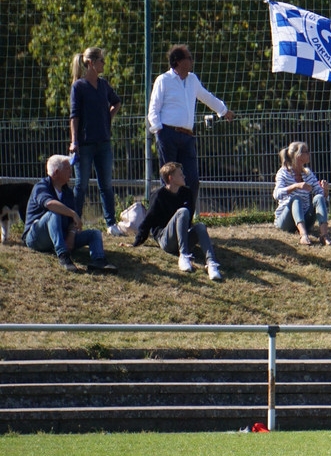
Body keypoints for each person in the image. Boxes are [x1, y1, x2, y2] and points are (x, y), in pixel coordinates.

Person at [147, 44, 235, 209]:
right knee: (169, 180)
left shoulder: (192, 79)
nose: (192, 61)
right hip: (168, 135)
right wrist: (159, 130)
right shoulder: (163, 80)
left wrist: (223, 111)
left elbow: (205, 96)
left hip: (187, 137)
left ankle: (185, 217)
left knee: (192, 180)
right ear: (179, 62)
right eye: (189, 58)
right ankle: (167, 217)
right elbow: (153, 108)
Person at [22, 154, 117, 274]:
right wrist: (72, 213)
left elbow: (73, 221)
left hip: (61, 235)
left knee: (94, 233)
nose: (71, 172)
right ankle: (64, 256)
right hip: (36, 237)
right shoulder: (41, 187)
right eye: (67, 169)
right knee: (54, 214)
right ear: (56, 172)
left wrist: (71, 236)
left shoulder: (68, 192)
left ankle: (99, 261)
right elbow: (50, 204)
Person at [133, 162, 222, 281]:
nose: (184, 176)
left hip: (182, 236)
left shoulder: (187, 193)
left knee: (200, 226)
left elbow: (188, 221)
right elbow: (148, 220)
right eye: (180, 175)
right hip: (165, 239)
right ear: (171, 178)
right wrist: (137, 242)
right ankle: (184, 255)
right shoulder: (159, 195)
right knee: (183, 212)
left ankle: (212, 264)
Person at [68, 47, 123, 236]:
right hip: (85, 144)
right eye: (101, 60)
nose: (103, 64)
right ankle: (74, 223)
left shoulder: (104, 85)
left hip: (103, 142)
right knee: (81, 185)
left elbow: (117, 102)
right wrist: (74, 141)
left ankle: (111, 223)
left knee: (106, 184)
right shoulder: (79, 87)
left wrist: (108, 118)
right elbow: (74, 116)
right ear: (91, 63)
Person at [273, 141, 331, 246]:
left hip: (305, 220)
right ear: (298, 155)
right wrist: (295, 186)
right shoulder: (283, 172)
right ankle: (303, 235)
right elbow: (276, 194)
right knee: (296, 199)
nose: (309, 154)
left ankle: (324, 235)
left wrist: (325, 191)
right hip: (285, 221)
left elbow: (322, 197)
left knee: (318, 197)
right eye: (306, 152)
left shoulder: (308, 173)